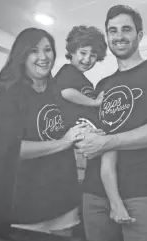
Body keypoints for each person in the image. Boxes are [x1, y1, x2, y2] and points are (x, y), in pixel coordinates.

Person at [76, 5, 147, 241]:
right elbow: (93, 137)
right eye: (112, 30)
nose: (119, 36)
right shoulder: (101, 86)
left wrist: (106, 142)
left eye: (126, 29)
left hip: (139, 192)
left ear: (139, 35)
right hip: (94, 192)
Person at [0, 28, 90, 236]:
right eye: (34, 51)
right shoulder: (9, 96)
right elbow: (10, 150)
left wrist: (88, 132)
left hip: (64, 202)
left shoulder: (58, 91)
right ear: (22, 55)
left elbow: (75, 128)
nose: (43, 57)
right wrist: (64, 142)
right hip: (25, 209)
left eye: (48, 50)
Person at [54, 25, 135, 224]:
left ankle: (114, 202)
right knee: (110, 149)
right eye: (82, 52)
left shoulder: (84, 80)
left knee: (110, 149)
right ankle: (116, 204)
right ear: (72, 52)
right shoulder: (67, 71)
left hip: (85, 127)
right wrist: (94, 102)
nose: (86, 59)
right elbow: (66, 93)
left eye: (92, 55)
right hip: (74, 128)